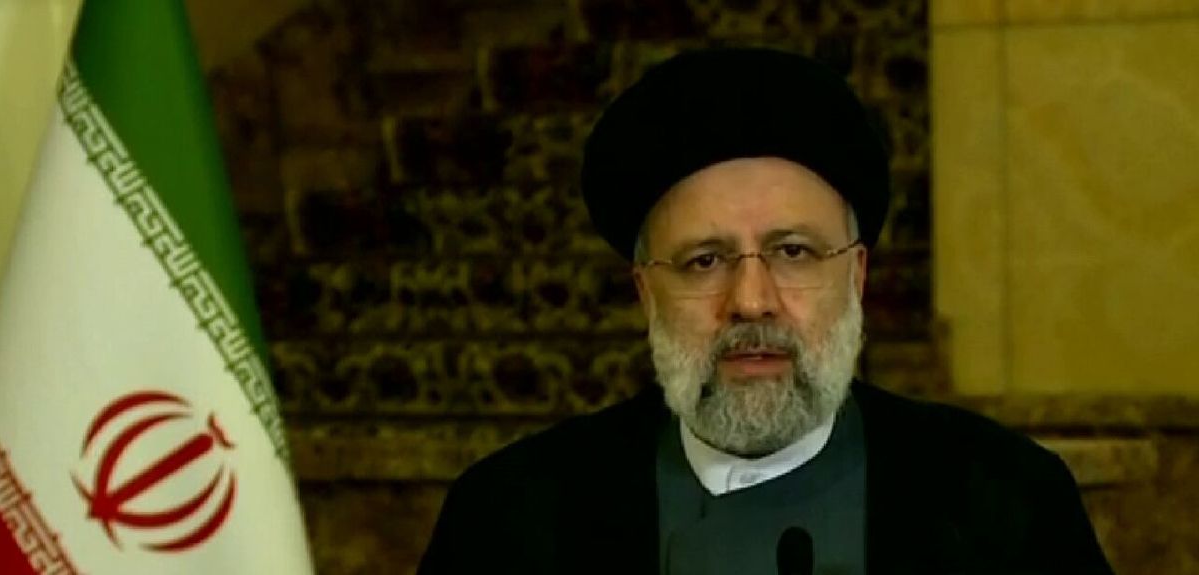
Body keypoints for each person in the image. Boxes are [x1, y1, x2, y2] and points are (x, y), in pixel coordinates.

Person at [417, 47, 1113, 575]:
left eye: (793, 252)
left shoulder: (1008, 502)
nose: (751, 301)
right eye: (704, 261)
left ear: (856, 276)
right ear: (646, 293)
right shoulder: (509, 518)